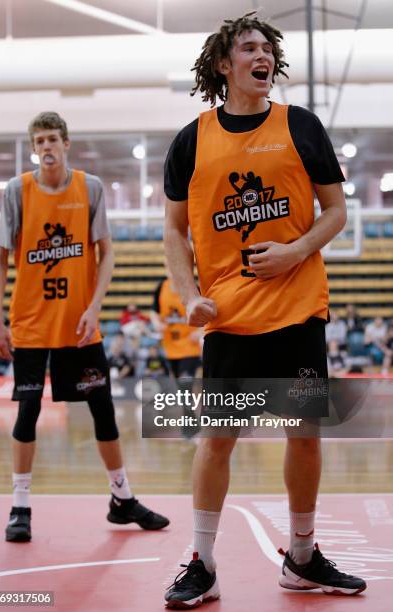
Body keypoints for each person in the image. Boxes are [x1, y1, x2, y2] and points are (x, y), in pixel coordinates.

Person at [163, 12, 366, 607]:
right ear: (224, 65)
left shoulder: (301, 126)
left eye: (268, 48)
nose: (263, 56)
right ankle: (202, 561)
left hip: (300, 307)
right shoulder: (191, 139)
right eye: (249, 47)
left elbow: (336, 211)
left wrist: (296, 251)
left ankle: (301, 558)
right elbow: (174, 232)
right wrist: (187, 294)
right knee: (217, 437)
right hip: (230, 316)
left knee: (304, 434)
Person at [0, 111, 169, 543]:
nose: (46, 147)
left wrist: (94, 306)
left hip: (79, 325)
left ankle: (122, 499)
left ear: (66, 144)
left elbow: (106, 253)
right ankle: (20, 505)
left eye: (53, 139)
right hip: (31, 323)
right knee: (28, 412)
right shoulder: (18, 190)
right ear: (34, 148)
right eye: (39, 141)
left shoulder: (89, 188)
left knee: (102, 408)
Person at [152, 274, 202, 379]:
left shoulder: (193, 288)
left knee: (185, 382)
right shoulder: (162, 287)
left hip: (189, 346)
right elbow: (154, 312)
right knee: (178, 383)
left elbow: (205, 313)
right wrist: (157, 324)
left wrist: (200, 331)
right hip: (170, 347)